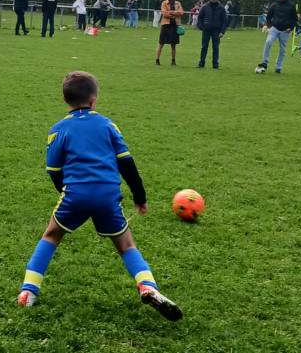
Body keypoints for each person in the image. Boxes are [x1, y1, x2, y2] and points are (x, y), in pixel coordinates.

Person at [16, 71, 182, 321]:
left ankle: (28, 291)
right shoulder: (107, 125)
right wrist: (139, 197)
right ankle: (147, 286)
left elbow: (54, 171)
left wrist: (66, 192)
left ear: (65, 100)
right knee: (126, 245)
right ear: (93, 100)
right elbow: (127, 164)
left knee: (51, 235)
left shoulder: (58, 130)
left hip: (75, 195)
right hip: (107, 195)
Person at [257, 0, 297, 74]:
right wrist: (268, 26)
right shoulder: (274, 5)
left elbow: (294, 19)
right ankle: (264, 62)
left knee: (282, 49)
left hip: (285, 31)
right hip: (274, 29)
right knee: (268, 42)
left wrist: (290, 28)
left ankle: (278, 67)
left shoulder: (291, 6)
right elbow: (268, 17)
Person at [197, 0, 228, 69]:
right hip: (206, 30)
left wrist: (222, 32)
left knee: (216, 47)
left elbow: (224, 21)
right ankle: (201, 63)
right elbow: (200, 17)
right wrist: (201, 27)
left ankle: (215, 65)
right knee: (204, 47)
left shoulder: (221, 8)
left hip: (217, 31)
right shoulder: (205, 7)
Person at [155, 0, 184, 66]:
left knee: (173, 45)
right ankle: (157, 60)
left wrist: (171, 12)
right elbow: (164, 14)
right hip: (165, 25)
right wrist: (175, 14)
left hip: (175, 26)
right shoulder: (164, 3)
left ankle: (173, 61)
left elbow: (181, 12)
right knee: (161, 44)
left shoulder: (178, 3)